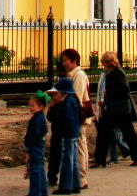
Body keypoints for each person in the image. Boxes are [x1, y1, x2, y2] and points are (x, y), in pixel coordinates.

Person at [92, 52, 137, 168]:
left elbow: (125, 89)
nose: (103, 66)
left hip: (120, 109)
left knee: (127, 134)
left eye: (104, 63)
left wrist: (108, 92)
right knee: (103, 133)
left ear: (109, 62)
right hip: (112, 108)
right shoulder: (109, 73)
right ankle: (99, 159)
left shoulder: (118, 73)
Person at [60, 48, 91, 190]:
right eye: (63, 60)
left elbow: (75, 96)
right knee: (77, 146)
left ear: (74, 60)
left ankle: (81, 178)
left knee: (79, 146)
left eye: (66, 60)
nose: (64, 63)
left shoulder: (78, 75)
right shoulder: (71, 75)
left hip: (77, 115)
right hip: (73, 115)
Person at [46, 77, 80, 195]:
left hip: (67, 134)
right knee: (74, 160)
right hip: (74, 133)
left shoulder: (67, 102)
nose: (56, 96)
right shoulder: (72, 100)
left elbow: (67, 119)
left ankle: (65, 187)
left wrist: (61, 128)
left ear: (63, 92)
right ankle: (76, 184)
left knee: (66, 160)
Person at [23, 91, 50, 196]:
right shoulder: (41, 117)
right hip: (39, 146)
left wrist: (27, 146)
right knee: (40, 170)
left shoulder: (37, 119)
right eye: (30, 105)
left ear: (40, 106)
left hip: (35, 146)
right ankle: (43, 191)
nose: (30, 108)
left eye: (33, 105)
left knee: (35, 171)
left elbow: (33, 135)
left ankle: (35, 192)